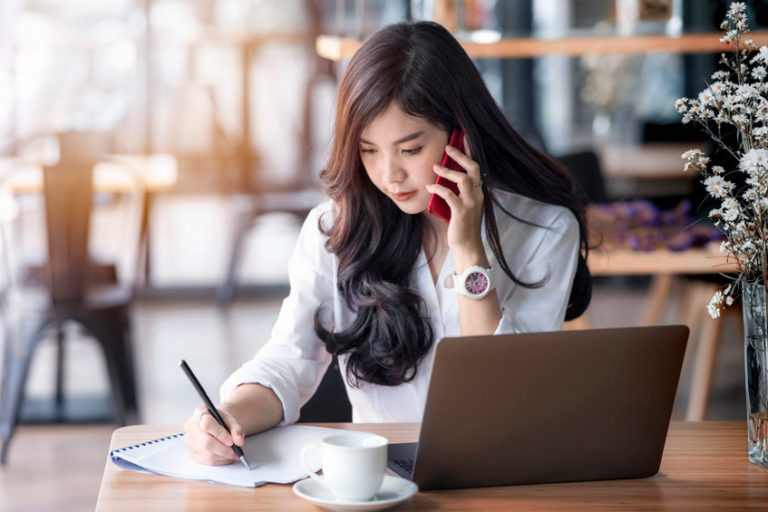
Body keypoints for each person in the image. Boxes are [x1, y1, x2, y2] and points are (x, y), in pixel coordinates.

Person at [185, 20, 591, 465]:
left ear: (462, 135)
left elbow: (507, 394)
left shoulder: (545, 228)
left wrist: (470, 251)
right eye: (368, 150)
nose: (389, 175)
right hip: (379, 484)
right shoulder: (335, 229)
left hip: (500, 475)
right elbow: (288, 360)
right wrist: (226, 417)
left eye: (411, 150)